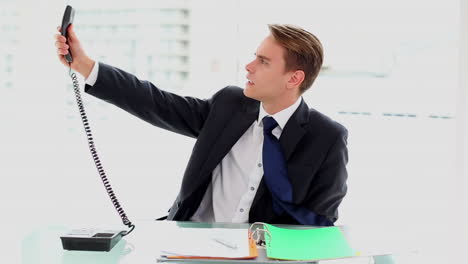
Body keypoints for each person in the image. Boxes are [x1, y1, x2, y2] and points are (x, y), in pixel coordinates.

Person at [54, 23, 348, 226]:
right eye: (253, 57)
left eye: (263, 61)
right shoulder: (229, 105)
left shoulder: (327, 138)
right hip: (187, 246)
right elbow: (157, 102)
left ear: (293, 78)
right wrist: (84, 65)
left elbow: (320, 224)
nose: (249, 66)